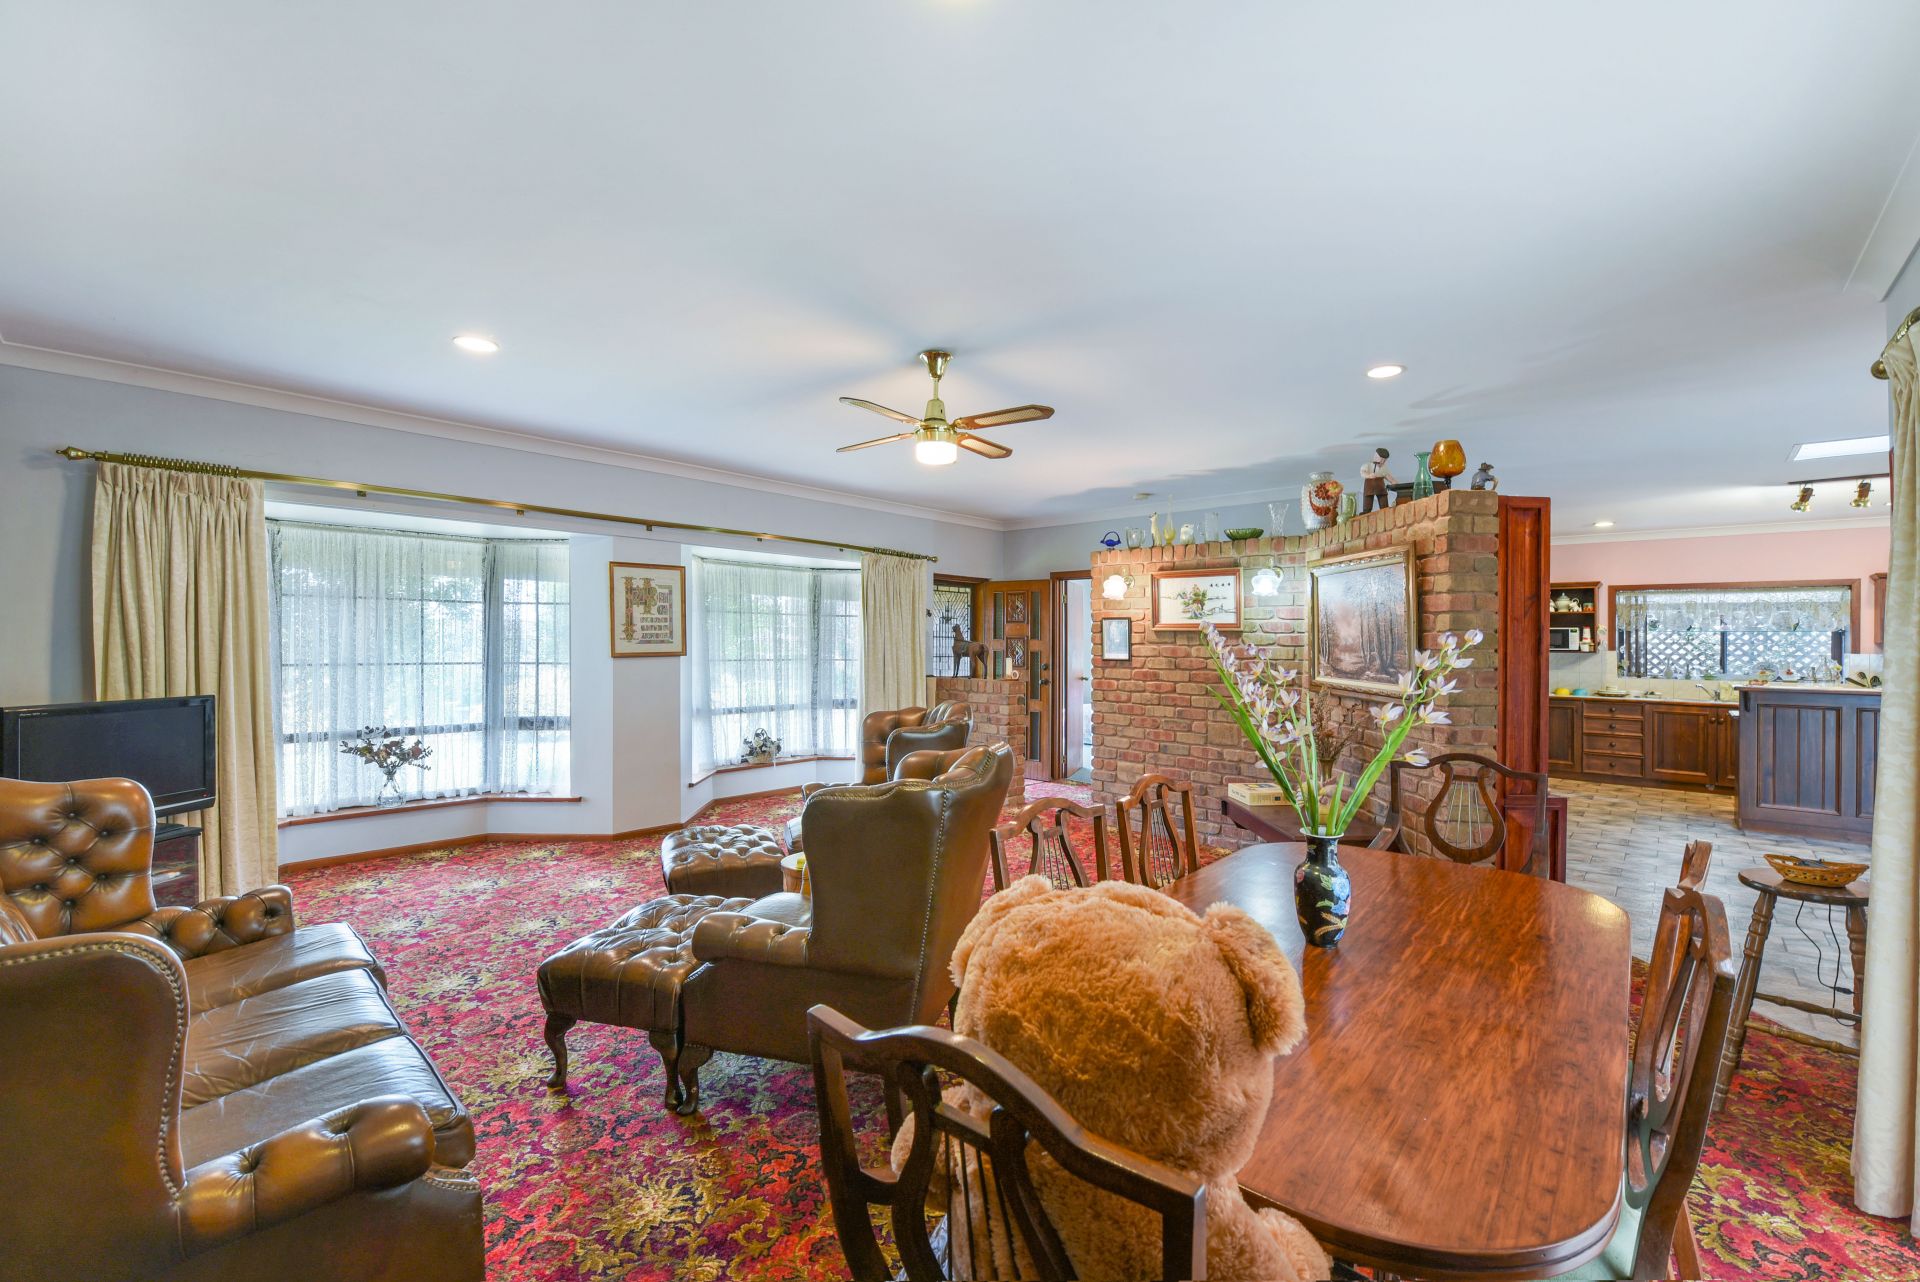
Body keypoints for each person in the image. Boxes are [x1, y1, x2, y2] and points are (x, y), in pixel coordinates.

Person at [1360, 447, 1396, 513]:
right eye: (1381, 459)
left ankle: (1385, 514)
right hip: (1369, 488)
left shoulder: (1384, 468)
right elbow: (1363, 473)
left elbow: (1390, 478)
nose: (1382, 462)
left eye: (1384, 460)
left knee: (1384, 506)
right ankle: (1366, 513)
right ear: (1375, 456)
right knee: (1367, 507)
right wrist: (1369, 476)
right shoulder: (1368, 465)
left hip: (1381, 488)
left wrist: (1395, 483)